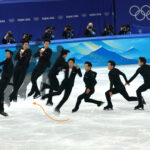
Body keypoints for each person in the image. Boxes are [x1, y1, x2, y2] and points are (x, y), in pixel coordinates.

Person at [0, 50, 13, 116]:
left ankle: (1, 110)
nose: (6, 54)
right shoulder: (7, 60)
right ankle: (1, 109)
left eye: (7, 53)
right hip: (3, 79)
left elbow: (1, 64)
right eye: (6, 53)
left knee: (1, 93)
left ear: (10, 55)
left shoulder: (8, 60)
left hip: (5, 80)